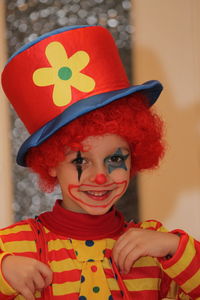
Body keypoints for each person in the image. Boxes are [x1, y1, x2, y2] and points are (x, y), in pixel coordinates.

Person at [0, 25, 199, 300]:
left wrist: (174, 247)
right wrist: (4, 271)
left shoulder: (155, 248)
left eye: (115, 158)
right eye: (80, 159)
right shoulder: (13, 246)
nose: (101, 176)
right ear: (50, 163)